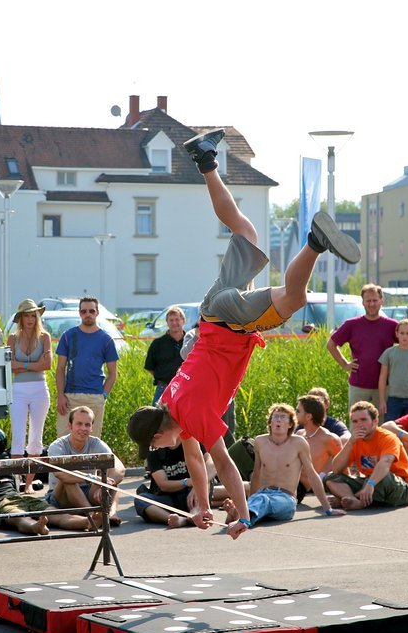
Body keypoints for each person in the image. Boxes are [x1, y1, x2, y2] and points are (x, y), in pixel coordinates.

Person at [127, 128, 360, 539]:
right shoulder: (169, 403)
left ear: (161, 431)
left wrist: (244, 516)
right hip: (211, 313)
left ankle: (314, 242)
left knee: (293, 298)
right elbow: (198, 463)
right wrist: (201, 505)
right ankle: (205, 161)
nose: (160, 450)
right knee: (245, 229)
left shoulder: (192, 415)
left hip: (228, 324)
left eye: (157, 445)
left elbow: (224, 463)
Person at [223, 403, 344, 527]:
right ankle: (243, 513)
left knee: (263, 501)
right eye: (275, 417)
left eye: (283, 417)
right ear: (270, 422)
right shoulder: (260, 441)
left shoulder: (298, 443)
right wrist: (250, 499)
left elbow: (312, 474)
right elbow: (256, 474)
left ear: (290, 424)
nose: (278, 420)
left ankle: (242, 517)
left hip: (286, 499)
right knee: (261, 500)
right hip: (262, 494)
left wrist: (327, 509)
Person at [324, 401, 408, 510]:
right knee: (331, 477)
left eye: (363, 420)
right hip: (370, 484)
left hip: (399, 486)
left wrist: (370, 484)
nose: (359, 425)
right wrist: (349, 443)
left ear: (375, 421)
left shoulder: (388, 437)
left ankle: (359, 502)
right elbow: (336, 469)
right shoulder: (355, 441)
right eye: (355, 421)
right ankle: (351, 499)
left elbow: (385, 463)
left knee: (383, 477)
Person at [47, 405, 125, 526]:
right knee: (68, 479)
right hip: (60, 496)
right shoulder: (58, 446)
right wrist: (93, 478)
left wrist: (104, 484)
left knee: (113, 482)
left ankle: (112, 513)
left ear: (92, 428)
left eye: (87, 425)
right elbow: (60, 474)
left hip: (88, 490)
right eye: (79, 424)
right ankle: (93, 515)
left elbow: (119, 468)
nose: (83, 428)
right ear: (69, 426)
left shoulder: (96, 443)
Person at [326, 284, 397, 412]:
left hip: (383, 386)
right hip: (358, 385)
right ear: (363, 302)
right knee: (357, 424)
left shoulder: (392, 326)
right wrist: (345, 364)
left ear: (382, 300)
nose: (371, 304)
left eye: (375, 300)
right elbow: (331, 345)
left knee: (381, 427)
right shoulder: (351, 325)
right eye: (368, 301)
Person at [55, 296, 118, 438]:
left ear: (97, 313)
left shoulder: (106, 340)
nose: (87, 314)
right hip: (69, 396)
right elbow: (60, 369)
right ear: (79, 313)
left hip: (95, 396)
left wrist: (103, 396)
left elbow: (113, 373)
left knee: (91, 441)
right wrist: (60, 395)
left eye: (91, 311)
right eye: (84, 311)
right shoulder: (68, 336)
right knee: (63, 439)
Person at [7, 299, 52, 491]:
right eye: (27, 315)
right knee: (18, 437)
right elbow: (11, 367)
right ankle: (16, 484)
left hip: (40, 389)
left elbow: (47, 364)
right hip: (18, 390)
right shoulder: (12, 338)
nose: (30, 319)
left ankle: (28, 485)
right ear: (20, 318)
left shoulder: (45, 337)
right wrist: (33, 365)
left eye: (33, 315)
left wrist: (22, 365)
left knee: (35, 439)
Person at [135, 441, 215, 528]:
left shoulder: (192, 442)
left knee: (207, 479)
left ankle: (196, 512)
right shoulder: (154, 450)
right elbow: (163, 485)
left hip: (193, 495)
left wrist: (197, 485)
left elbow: (212, 464)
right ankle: (178, 519)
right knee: (141, 499)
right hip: (170, 497)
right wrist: (186, 482)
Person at [377, 318, 408, 421]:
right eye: (402, 333)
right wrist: (382, 400)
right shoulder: (389, 353)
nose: (405, 336)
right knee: (390, 428)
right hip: (393, 398)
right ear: (397, 334)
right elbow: (383, 377)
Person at [295, 394, 342, 502]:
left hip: (300, 488)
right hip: (288, 481)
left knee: (253, 489)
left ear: (308, 416)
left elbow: (343, 470)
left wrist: (339, 495)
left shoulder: (329, 438)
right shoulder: (299, 434)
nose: (295, 413)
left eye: (298, 411)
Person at [144, 305, 186, 403]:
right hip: (163, 388)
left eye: (177, 319)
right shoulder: (157, 344)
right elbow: (150, 366)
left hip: (186, 388)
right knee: (158, 417)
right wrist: (163, 376)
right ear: (167, 322)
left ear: (183, 320)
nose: (174, 323)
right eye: (171, 320)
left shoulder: (192, 342)